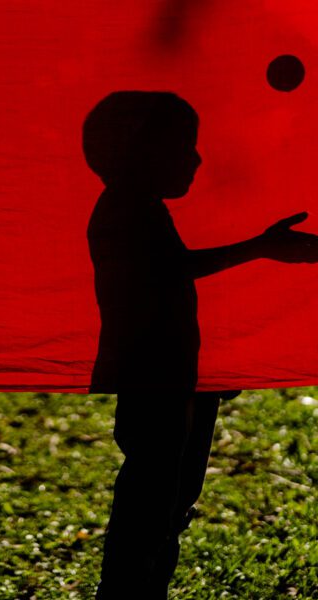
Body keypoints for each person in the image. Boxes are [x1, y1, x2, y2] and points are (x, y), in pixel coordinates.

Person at [83, 91, 318, 598]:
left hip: (172, 374)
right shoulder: (126, 209)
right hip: (155, 375)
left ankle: (144, 585)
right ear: (136, 151)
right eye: (181, 146)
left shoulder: (136, 208)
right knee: (154, 493)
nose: (195, 158)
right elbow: (172, 271)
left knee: (170, 494)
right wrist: (261, 247)